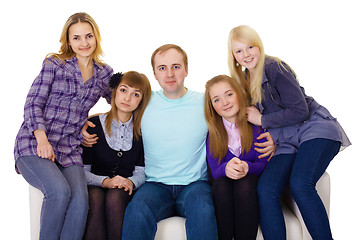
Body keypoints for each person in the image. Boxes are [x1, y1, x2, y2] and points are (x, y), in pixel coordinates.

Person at [228, 25, 351, 239]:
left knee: (300, 184)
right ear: (233, 56)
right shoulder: (244, 80)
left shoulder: (274, 67)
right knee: (266, 190)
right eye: (239, 51)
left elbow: (300, 110)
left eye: (250, 47)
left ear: (259, 46)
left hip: (314, 129)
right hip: (285, 141)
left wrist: (263, 119)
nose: (246, 54)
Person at [13, 12, 113, 240]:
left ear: (96, 37)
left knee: (80, 201)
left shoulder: (104, 73)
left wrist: (89, 121)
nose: (84, 43)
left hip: (69, 148)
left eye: (88, 36)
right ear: (68, 41)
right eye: (76, 38)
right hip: (35, 143)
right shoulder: (55, 64)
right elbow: (33, 103)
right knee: (59, 192)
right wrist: (42, 139)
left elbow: (119, 103)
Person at [119, 44, 218, 240]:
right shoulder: (144, 103)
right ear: (155, 74)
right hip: (155, 184)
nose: (170, 74)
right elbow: (117, 112)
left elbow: (234, 119)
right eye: (162, 68)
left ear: (186, 70)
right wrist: (87, 125)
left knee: (204, 210)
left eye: (176, 66)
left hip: (195, 184)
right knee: (137, 210)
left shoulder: (205, 102)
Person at [82, 71, 151, 240]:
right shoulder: (94, 125)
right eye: (123, 90)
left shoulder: (142, 130)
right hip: (95, 184)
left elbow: (141, 172)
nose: (127, 98)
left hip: (123, 188)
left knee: (116, 195)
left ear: (142, 100)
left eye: (136, 94)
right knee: (95, 198)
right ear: (114, 91)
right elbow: (81, 171)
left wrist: (130, 182)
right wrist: (105, 182)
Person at [205, 74, 269, 240]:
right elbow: (214, 169)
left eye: (229, 94)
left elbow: (263, 163)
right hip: (223, 185)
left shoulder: (256, 126)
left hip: (250, 183)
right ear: (212, 106)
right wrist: (226, 168)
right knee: (221, 185)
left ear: (239, 94)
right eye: (217, 100)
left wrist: (248, 167)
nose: (225, 102)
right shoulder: (213, 133)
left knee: (245, 183)